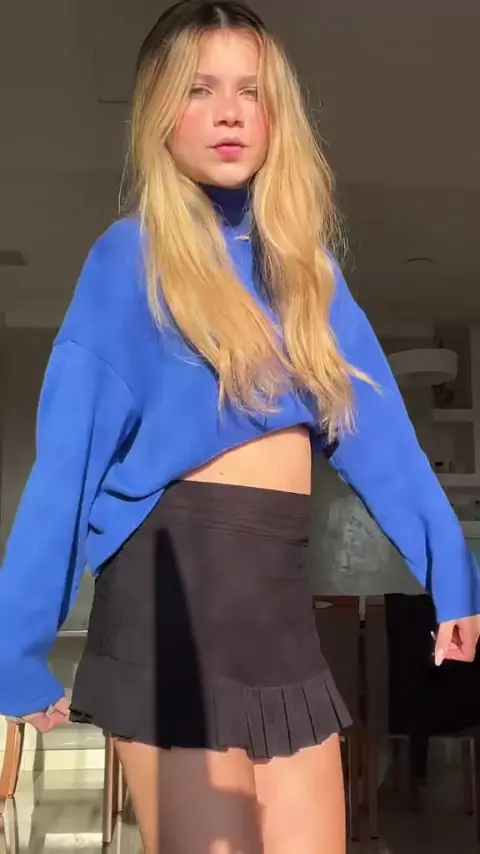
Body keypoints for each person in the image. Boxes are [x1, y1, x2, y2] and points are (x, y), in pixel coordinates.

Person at [0, 1, 479, 851]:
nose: (229, 112)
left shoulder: (308, 276)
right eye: (200, 89)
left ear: (276, 114)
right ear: (160, 114)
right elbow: (66, 464)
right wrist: (16, 647)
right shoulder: (130, 258)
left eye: (250, 91)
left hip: (277, 606)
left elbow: (384, 442)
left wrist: (453, 573)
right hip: (169, 596)